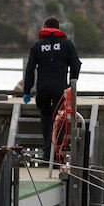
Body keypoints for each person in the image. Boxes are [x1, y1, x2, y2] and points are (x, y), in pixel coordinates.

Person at [22, 17, 82, 156]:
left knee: (45, 116)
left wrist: (27, 91)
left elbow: (30, 69)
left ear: (45, 27)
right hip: (60, 88)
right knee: (59, 119)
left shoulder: (37, 46)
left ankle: (46, 150)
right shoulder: (67, 45)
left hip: (42, 88)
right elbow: (76, 65)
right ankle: (56, 153)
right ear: (58, 28)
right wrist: (72, 84)